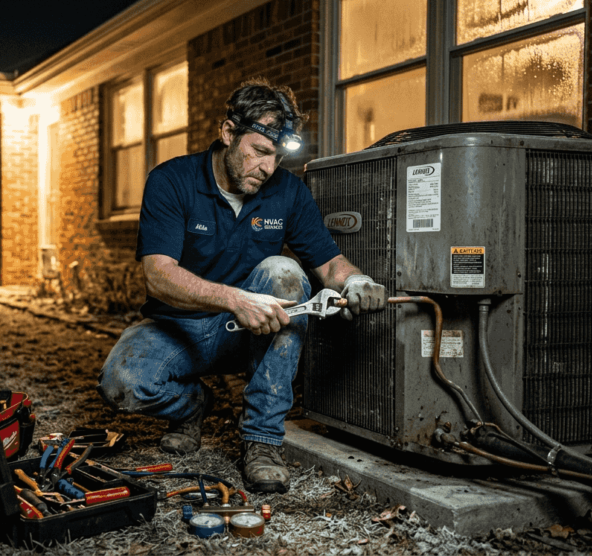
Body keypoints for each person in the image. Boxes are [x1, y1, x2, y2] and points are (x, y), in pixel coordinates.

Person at [96, 77, 387, 494]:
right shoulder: (172, 180)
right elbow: (158, 275)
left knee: (283, 271)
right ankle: (193, 405)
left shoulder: (287, 190)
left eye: (276, 159)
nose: (268, 168)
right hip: (179, 327)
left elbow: (328, 262)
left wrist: (356, 279)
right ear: (228, 133)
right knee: (120, 383)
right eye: (259, 152)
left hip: (252, 333)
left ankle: (263, 439)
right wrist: (234, 298)